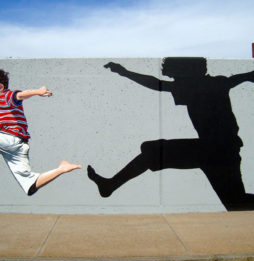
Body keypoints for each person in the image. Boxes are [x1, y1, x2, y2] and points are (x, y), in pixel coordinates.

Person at [88, 57, 254, 211]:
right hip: (219, 150)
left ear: (188, 73)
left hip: (216, 150)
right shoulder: (217, 83)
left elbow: (156, 84)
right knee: (236, 202)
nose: (174, 81)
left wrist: (124, 72)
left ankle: (111, 185)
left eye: (175, 76)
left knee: (153, 151)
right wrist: (249, 75)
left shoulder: (195, 86)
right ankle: (110, 185)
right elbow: (241, 77)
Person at [0, 67, 82, 196]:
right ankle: (62, 169)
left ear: (0, 87)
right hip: (19, 147)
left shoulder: (6, 96)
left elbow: (20, 95)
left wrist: (38, 91)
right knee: (30, 185)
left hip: (10, 139)